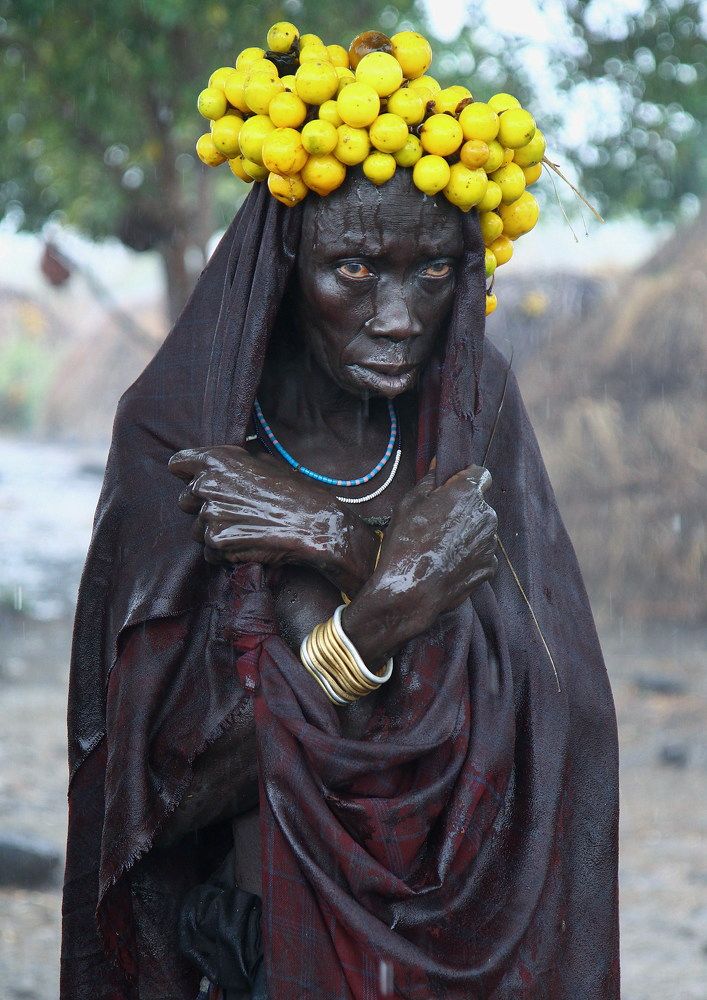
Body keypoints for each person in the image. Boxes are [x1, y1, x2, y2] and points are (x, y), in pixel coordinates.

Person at [61, 29, 619, 1000]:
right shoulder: (180, 439)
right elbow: (159, 804)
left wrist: (338, 544)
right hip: (263, 948)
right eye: (356, 270)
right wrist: (373, 621)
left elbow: (557, 717)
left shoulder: (471, 406)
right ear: (282, 264)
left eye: (434, 272)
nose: (399, 317)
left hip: (460, 941)